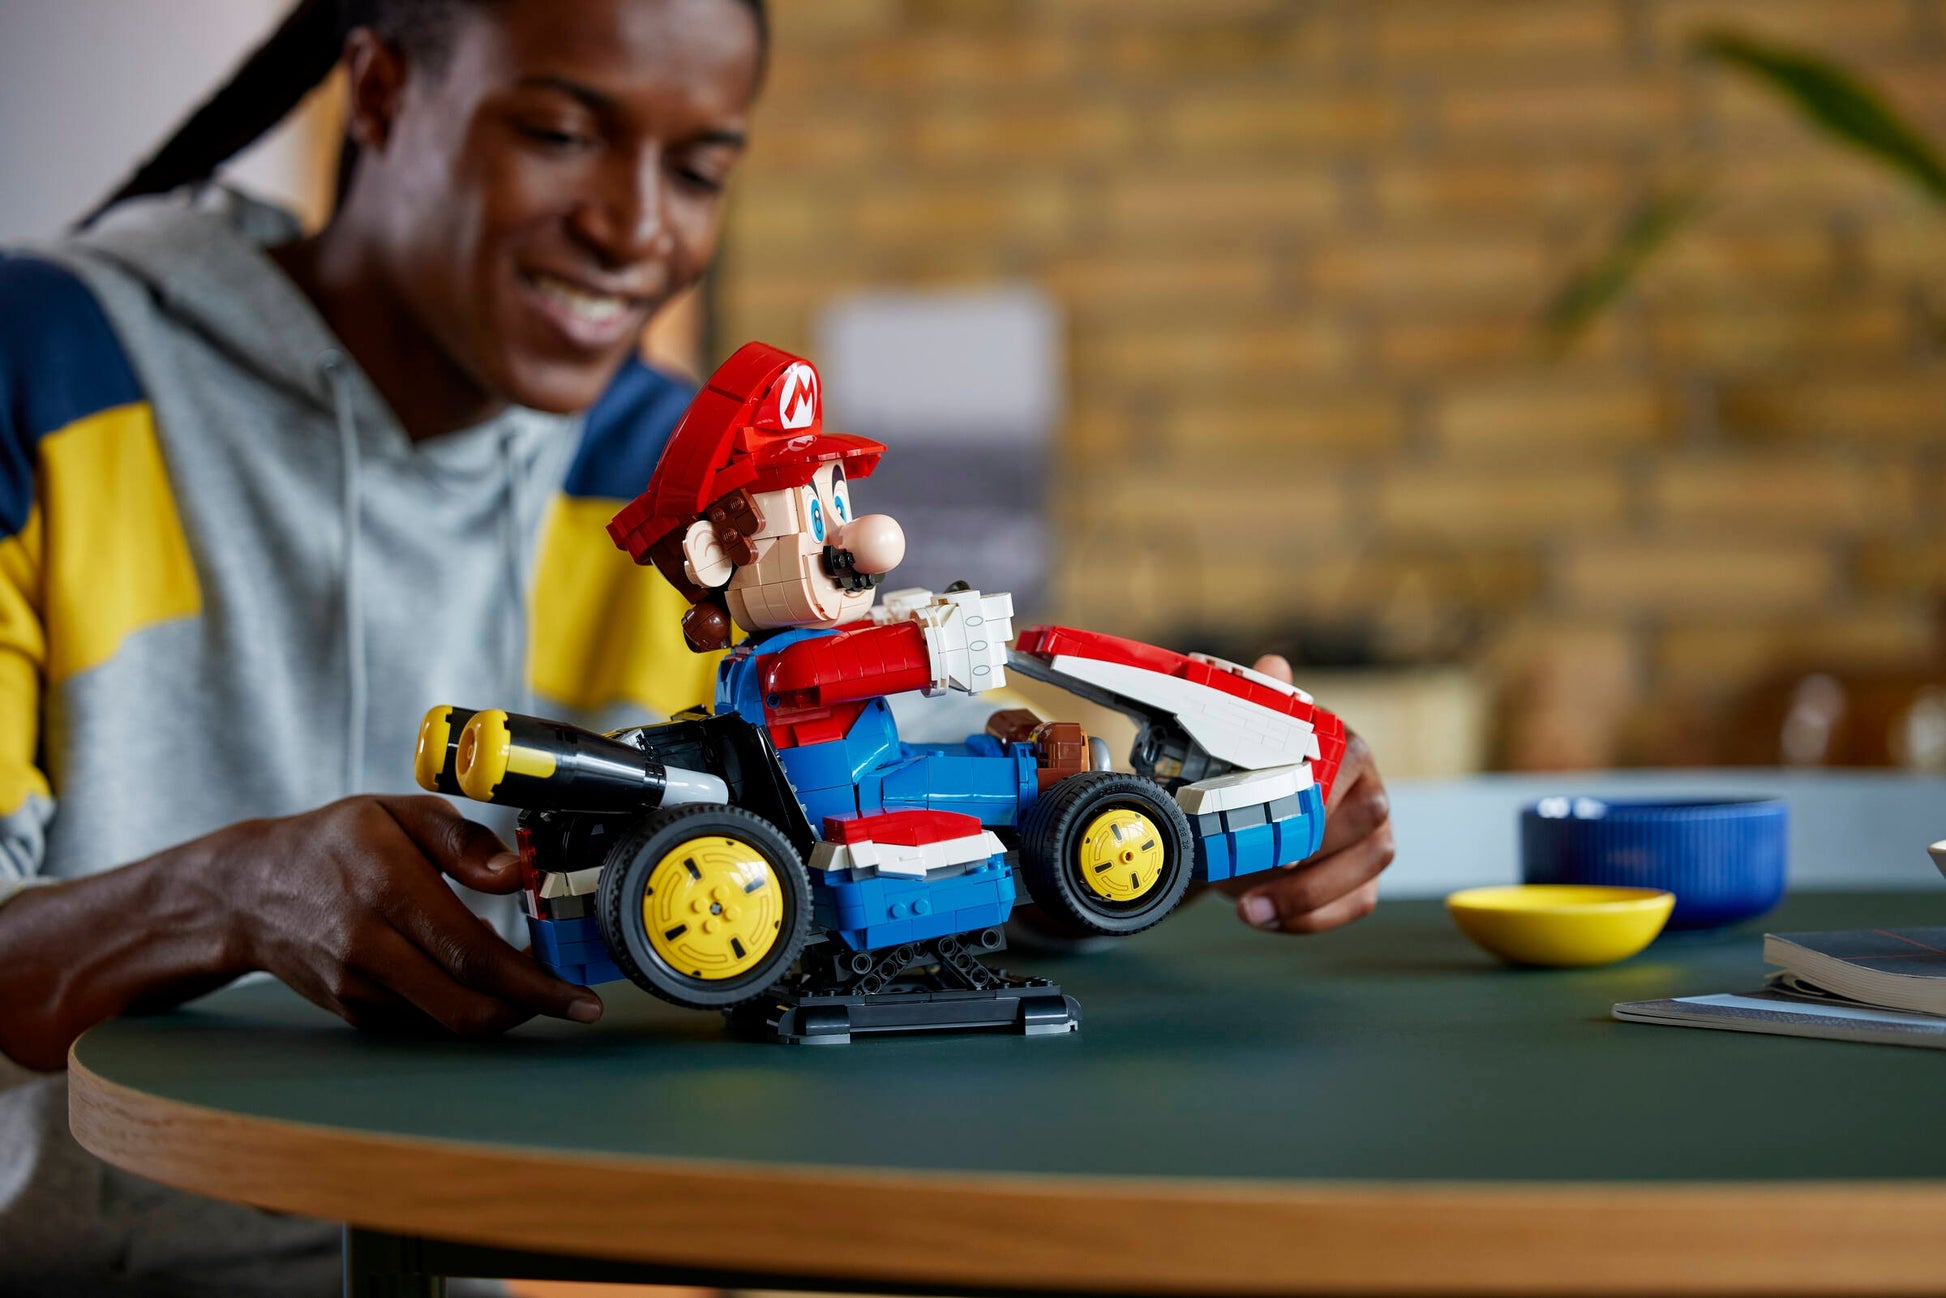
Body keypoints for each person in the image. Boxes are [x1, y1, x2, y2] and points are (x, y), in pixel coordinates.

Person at [0, 0, 1392, 1291]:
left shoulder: (673, 486)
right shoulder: (43, 368)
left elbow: (882, 872)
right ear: (379, 92)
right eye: (561, 132)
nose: (637, 229)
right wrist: (227, 896)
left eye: (701, 169)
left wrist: (1184, 823)